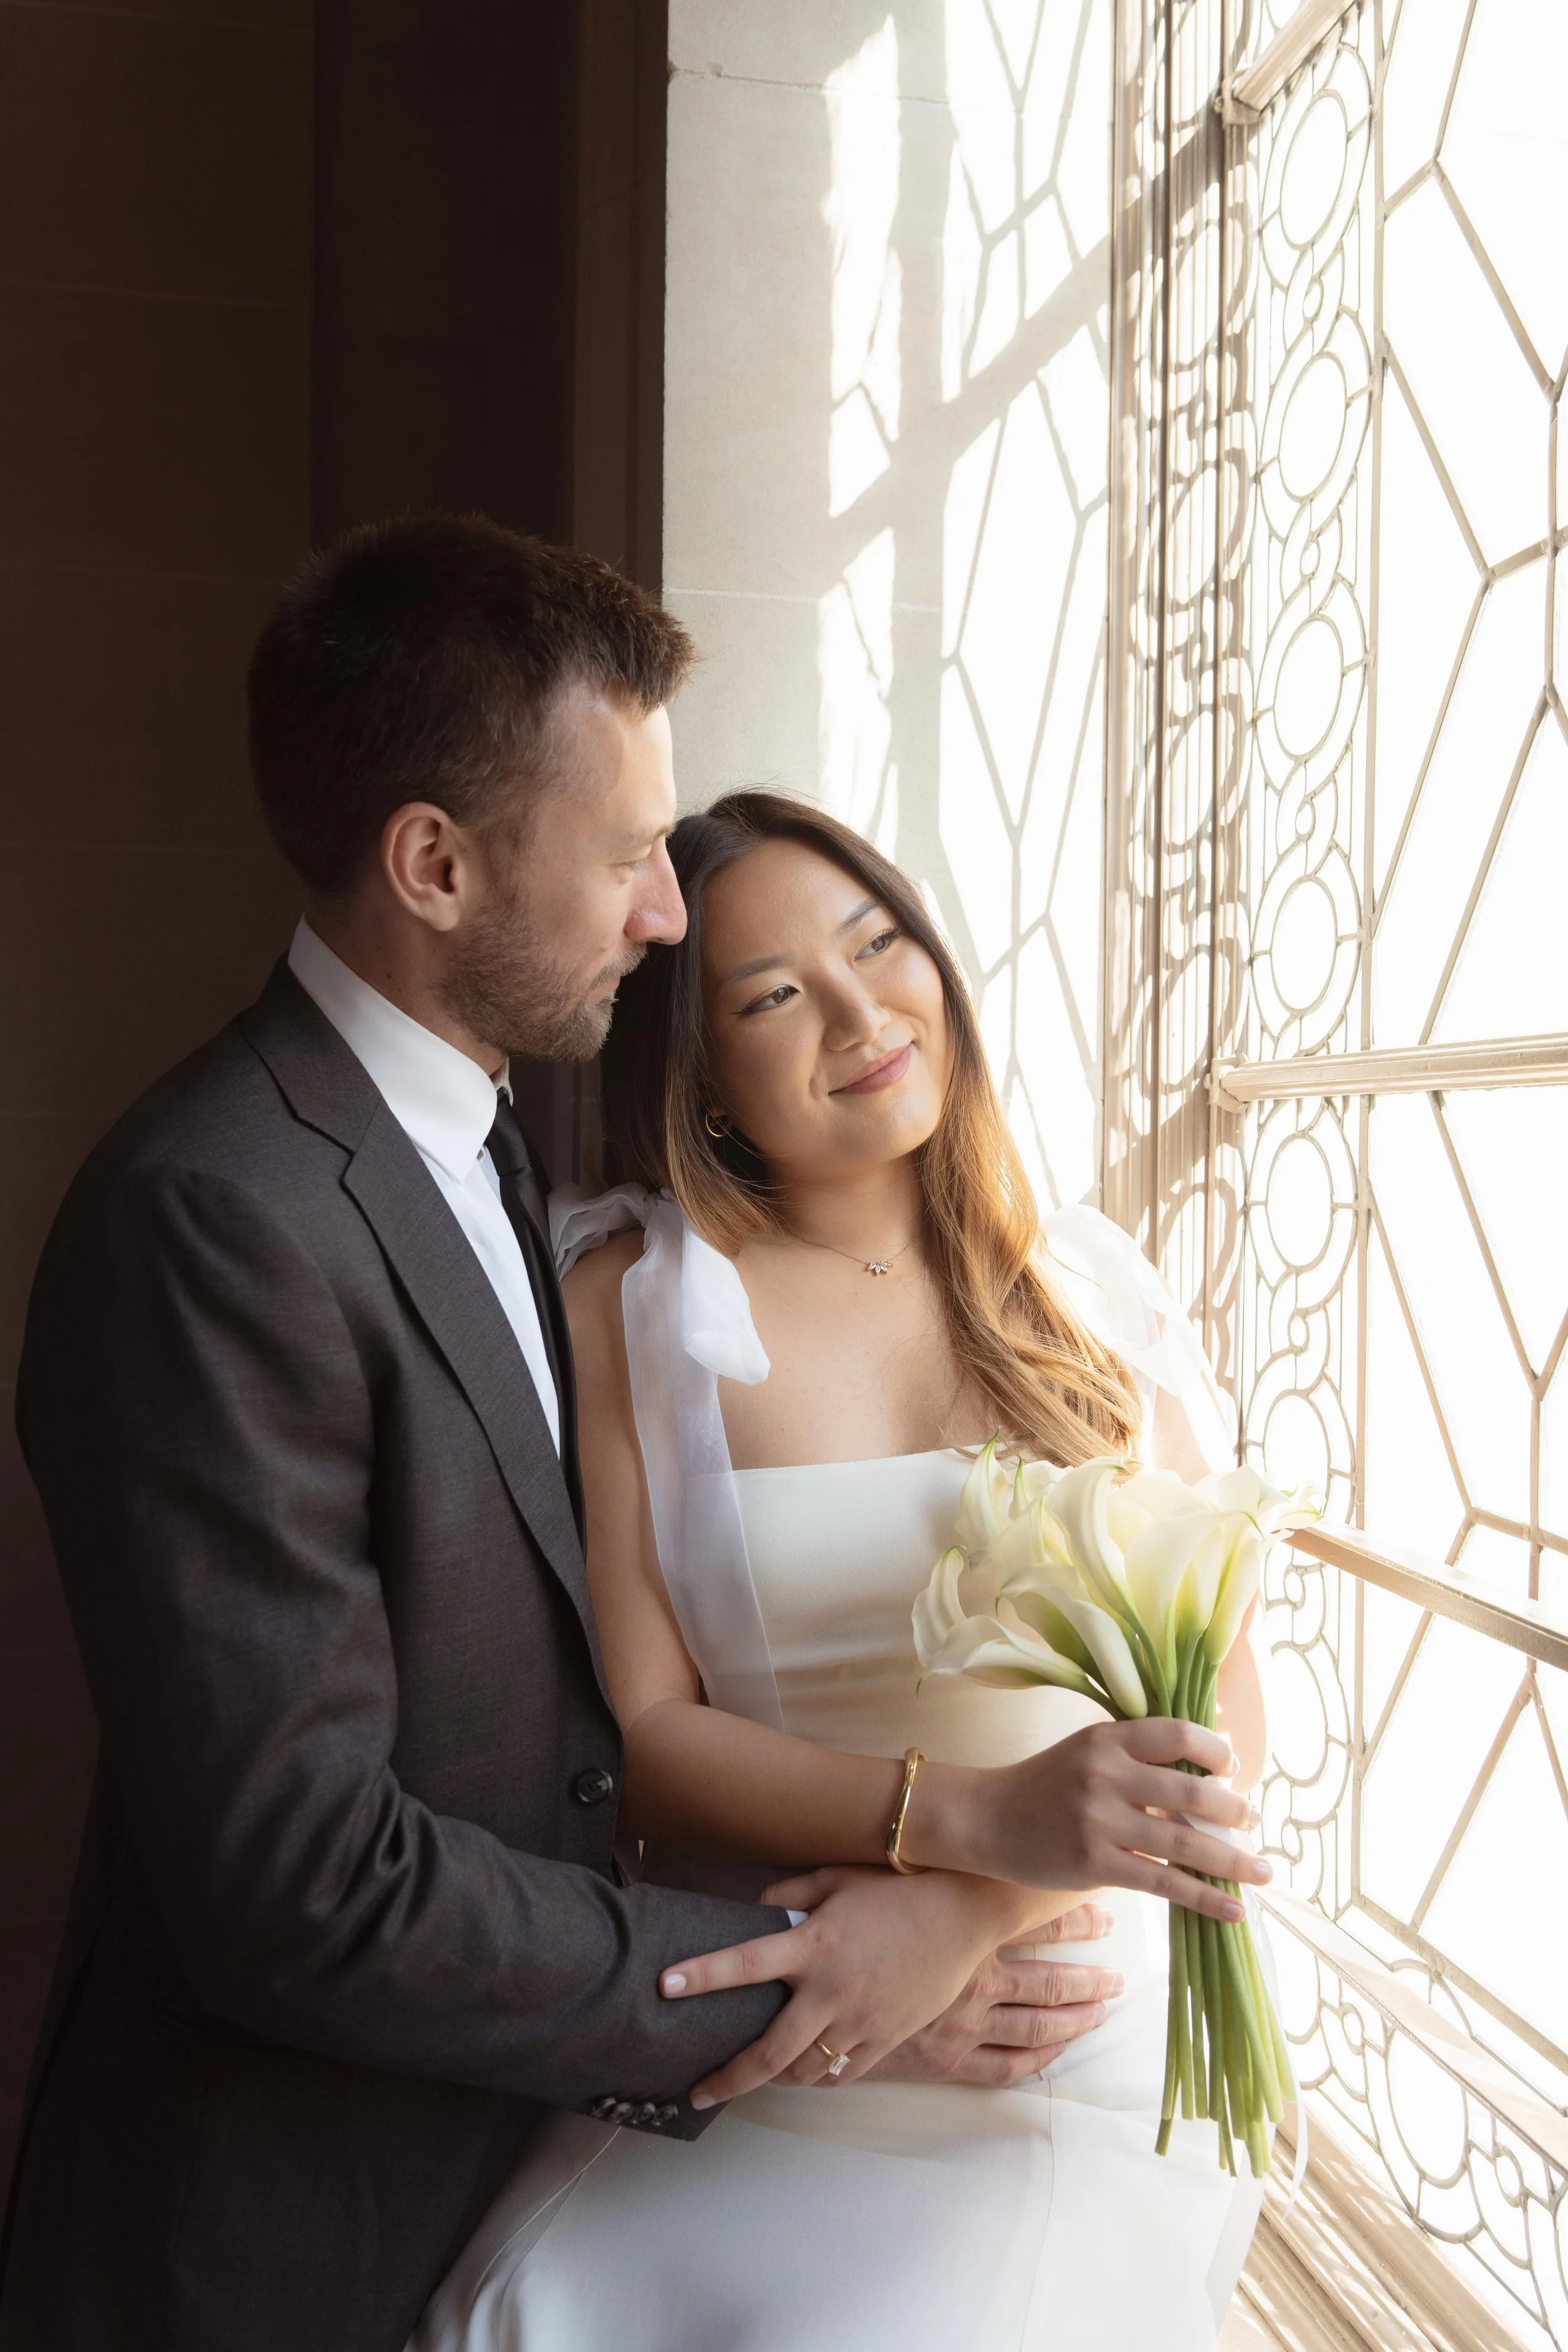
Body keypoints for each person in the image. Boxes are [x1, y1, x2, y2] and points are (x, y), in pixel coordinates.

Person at [0, 521, 1249, 2352]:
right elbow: (304, 1877)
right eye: (623, 859)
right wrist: (821, 1987)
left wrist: (963, 1907)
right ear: (431, 862)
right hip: (303, 2212)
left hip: (612, 2092)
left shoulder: (480, 1149)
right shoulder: (217, 1208)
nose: (663, 911)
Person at [412, 790, 1274, 2352]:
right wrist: (923, 1860)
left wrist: (960, 1917)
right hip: (806, 2004)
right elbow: (649, 1739)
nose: (862, 1013)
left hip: (1054, 2013)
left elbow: (1221, 1736)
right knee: (533, 2311)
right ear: (702, 1067)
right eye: (772, 995)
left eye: (878, 944)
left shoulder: (1083, 1291)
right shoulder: (634, 1299)